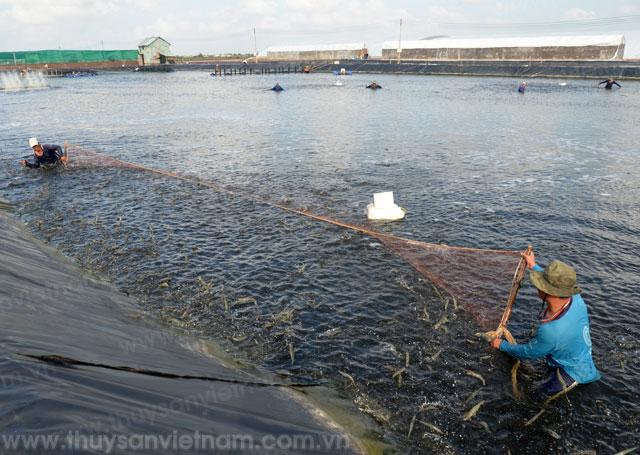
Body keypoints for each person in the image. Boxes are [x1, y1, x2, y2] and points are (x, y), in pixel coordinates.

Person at [490, 251, 600, 397]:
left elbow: (528, 352)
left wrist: (501, 345)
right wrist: (534, 266)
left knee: (533, 397)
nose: (537, 286)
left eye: (540, 284)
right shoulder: (576, 298)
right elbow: (558, 282)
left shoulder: (551, 331)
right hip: (581, 358)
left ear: (550, 292)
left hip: (572, 374)